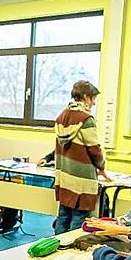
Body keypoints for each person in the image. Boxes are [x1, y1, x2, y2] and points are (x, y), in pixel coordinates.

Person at [53, 80, 110, 234]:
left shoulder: (61, 117)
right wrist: (102, 167)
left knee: (63, 216)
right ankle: (71, 254)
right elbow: (94, 149)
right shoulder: (86, 119)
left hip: (65, 178)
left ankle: (58, 251)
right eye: (93, 99)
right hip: (81, 181)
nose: (94, 103)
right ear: (85, 97)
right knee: (79, 220)